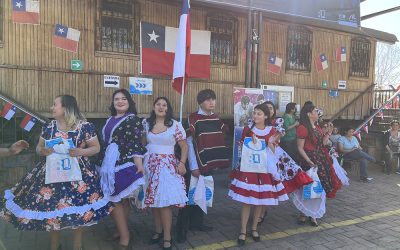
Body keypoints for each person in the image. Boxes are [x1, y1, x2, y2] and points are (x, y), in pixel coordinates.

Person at [0, 95, 113, 250]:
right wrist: (43, 151)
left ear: (66, 107)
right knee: (53, 209)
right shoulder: (49, 127)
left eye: (55, 105)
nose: (51, 108)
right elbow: (38, 149)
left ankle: (77, 246)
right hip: (52, 175)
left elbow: (96, 148)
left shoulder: (85, 126)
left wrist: (81, 151)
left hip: (78, 176)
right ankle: (54, 246)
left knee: (79, 210)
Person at [229, 103, 288, 246]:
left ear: (266, 116)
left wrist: (269, 144)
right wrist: (251, 143)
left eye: (259, 113)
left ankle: (254, 228)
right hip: (249, 169)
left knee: (260, 201)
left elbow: (275, 152)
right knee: (247, 201)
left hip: (265, 170)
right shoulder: (248, 129)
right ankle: (243, 230)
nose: (255, 116)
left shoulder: (272, 130)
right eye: (254, 113)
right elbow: (242, 148)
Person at [176, 89, 230, 242]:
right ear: (200, 102)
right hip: (195, 163)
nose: (211, 102)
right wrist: (193, 166)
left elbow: (218, 138)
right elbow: (189, 143)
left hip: (208, 162)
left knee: (203, 191)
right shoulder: (193, 118)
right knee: (189, 195)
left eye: (213, 99)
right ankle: (182, 228)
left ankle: (197, 223)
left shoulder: (215, 118)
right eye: (207, 100)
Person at [97, 89, 146, 249]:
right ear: (113, 102)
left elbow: (135, 143)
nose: (120, 101)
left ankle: (125, 235)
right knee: (121, 200)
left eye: (123, 98)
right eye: (116, 99)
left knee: (114, 199)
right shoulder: (110, 119)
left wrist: (139, 164)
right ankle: (121, 230)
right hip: (107, 162)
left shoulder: (133, 120)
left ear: (129, 101)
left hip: (122, 163)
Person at [143, 97, 188, 250]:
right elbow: (143, 144)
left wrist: (182, 163)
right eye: (158, 104)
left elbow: (184, 146)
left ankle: (168, 236)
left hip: (167, 167)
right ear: (153, 106)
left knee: (165, 203)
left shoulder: (175, 125)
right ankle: (158, 231)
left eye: (164, 105)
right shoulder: (146, 124)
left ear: (168, 108)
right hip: (149, 165)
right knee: (154, 201)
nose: (161, 107)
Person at [293, 103, 342, 226]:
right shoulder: (303, 128)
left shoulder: (317, 127)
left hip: (320, 159)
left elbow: (323, 144)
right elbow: (300, 148)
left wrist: (329, 133)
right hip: (308, 161)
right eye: (315, 111)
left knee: (318, 188)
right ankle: (304, 213)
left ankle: (313, 214)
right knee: (307, 187)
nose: (317, 113)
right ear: (309, 114)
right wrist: (309, 161)